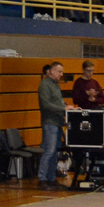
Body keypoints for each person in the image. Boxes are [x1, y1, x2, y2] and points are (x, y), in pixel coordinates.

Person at [37, 61, 66, 190]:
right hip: (50, 123)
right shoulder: (44, 85)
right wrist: (63, 108)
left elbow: (58, 102)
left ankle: (51, 178)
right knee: (48, 151)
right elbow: (46, 105)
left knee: (54, 153)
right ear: (52, 71)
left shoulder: (56, 86)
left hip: (58, 122)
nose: (61, 74)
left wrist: (67, 107)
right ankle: (42, 179)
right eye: (59, 71)